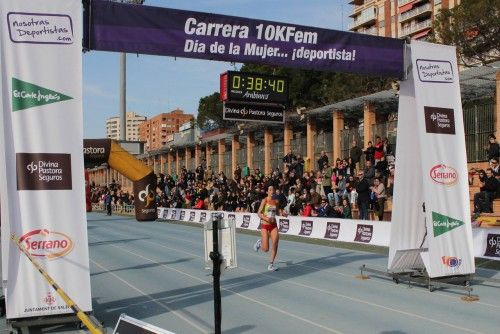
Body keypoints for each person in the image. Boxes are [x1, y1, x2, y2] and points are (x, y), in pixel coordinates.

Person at [253, 186, 285, 271]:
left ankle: (271, 265)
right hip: (265, 225)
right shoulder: (265, 200)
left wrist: (283, 214)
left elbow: (277, 212)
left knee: (275, 244)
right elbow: (259, 213)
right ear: (267, 191)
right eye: (270, 190)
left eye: (273, 190)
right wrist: (267, 219)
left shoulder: (276, 201)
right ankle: (260, 243)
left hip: (273, 225)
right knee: (266, 249)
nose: (272, 191)